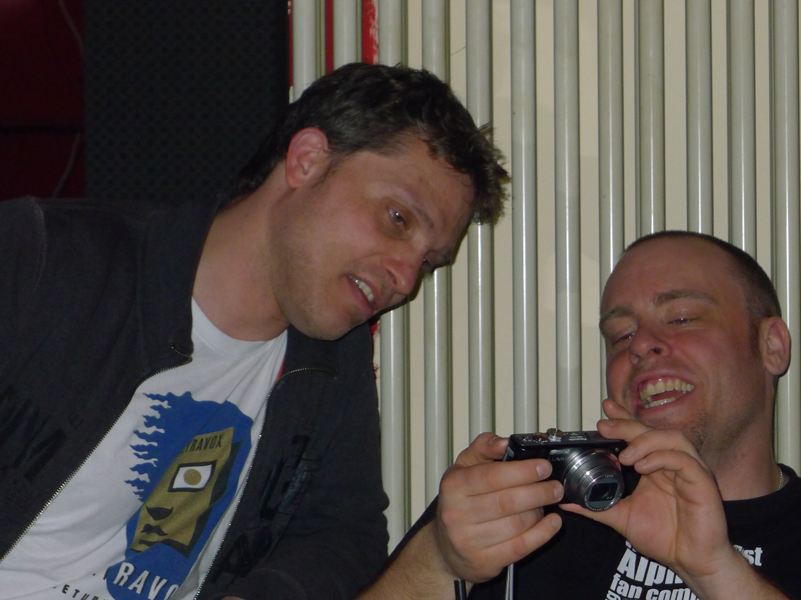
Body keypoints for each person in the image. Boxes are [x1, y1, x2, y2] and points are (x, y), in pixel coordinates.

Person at [0, 62, 508, 600]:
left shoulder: (333, 356)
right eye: (397, 218)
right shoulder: (39, 257)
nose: (404, 279)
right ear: (307, 160)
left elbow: (343, 533)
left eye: (428, 263)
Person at [373, 231, 801, 600]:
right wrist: (438, 561)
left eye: (681, 318)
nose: (642, 346)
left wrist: (716, 571)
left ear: (772, 346)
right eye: (619, 335)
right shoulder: (532, 510)